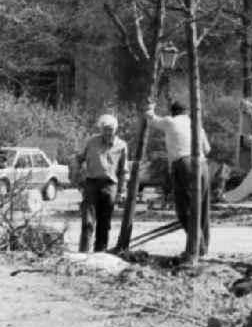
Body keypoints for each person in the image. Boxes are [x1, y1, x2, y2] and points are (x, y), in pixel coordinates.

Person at [145, 98, 211, 258]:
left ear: (173, 112)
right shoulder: (197, 125)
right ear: (187, 112)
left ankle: (197, 247)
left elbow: (150, 118)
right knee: (202, 207)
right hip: (202, 164)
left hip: (184, 164)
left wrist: (150, 106)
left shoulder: (170, 121)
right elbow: (207, 149)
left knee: (184, 209)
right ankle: (203, 247)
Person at [74, 113, 129, 253]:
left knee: (104, 223)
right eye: (105, 129)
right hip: (91, 184)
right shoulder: (91, 142)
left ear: (115, 129)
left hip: (110, 186)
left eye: (110, 129)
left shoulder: (121, 146)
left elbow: (124, 170)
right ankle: (83, 253)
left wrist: (122, 191)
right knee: (87, 222)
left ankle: (100, 253)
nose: (108, 132)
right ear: (101, 129)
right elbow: (78, 159)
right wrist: (77, 177)